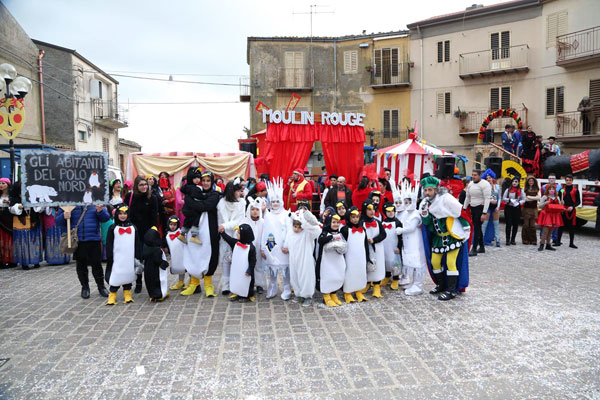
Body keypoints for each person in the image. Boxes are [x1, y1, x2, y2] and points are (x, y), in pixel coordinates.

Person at [421, 176, 470, 301]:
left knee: (450, 262)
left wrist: (466, 228)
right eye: (425, 190)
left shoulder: (446, 200)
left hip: (452, 237)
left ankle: (451, 290)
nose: (427, 193)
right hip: (438, 239)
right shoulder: (426, 204)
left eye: (430, 190)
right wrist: (425, 214)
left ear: (436, 190)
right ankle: (441, 284)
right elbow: (428, 224)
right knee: (435, 262)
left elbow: (459, 214)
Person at [56, 204, 111, 299]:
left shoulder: (95, 202)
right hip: (78, 240)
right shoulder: (68, 204)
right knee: (81, 265)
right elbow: (58, 222)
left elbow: (106, 218)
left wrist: (100, 211)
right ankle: (85, 287)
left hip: (94, 239)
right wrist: (64, 216)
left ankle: (101, 287)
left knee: (97, 264)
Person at [180, 170, 221, 297]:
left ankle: (208, 284)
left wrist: (191, 201)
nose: (206, 183)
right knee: (193, 253)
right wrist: (191, 202)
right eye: (203, 181)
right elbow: (186, 208)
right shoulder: (194, 192)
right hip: (194, 229)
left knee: (209, 255)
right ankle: (194, 283)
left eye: (208, 181)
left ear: (212, 182)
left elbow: (206, 206)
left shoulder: (214, 194)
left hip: (209, 230)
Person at [124, 176, 159, 293]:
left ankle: (150, 281)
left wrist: (154, 231)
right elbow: (124, 212)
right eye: (141, 185)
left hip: (147, 233)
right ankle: (138, 281)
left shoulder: (152, 198)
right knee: (136, 257)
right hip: (133, 232)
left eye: (145, 184)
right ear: (136, 186)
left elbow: (154, 216)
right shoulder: (130, 196)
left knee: (148, 258)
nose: (144, 187)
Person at [283, 206, 321, 307]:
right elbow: (288, 239)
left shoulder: (307, 234)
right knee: (295, 276)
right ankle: (298, 293)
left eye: (299, 227)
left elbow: (317, 230)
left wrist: (305, 223)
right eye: (295, 226)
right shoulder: (291, 233)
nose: (297, 229)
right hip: (294, 259)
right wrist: (285, 246)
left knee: (306, 277)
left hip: (305, 259)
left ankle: (307, 295)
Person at [104, 204, 141, 305]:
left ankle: (127, 293)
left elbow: (137, 243)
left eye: (125, 213)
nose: (123, 216)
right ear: (116, 215)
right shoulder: (113, 228)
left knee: (128, 274)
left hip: (129, 257)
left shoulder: (133, 228)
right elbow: (109, 243)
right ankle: (112, 294)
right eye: (120, 214)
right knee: (116, 275)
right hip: (117, 258)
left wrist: (138, 255)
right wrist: (109, 256)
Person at [262, 179, 292, 300]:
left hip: (283, 245)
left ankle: (286, 288)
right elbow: (264, 231)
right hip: (271, 245)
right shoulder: (267, 214)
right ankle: (272, 287)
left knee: (285, 269)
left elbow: (289, 231)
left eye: (277, 201)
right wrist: (263, 248)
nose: (275, 204)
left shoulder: (286, 214)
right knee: (272, 267)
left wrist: (287, 245)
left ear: (281, 202)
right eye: (273, 201)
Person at [396, 181, 426, 296]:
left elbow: (412, 227)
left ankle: (418, 284)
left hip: (414, 242)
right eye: (405, 202)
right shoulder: (406, 213)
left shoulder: (415, 214)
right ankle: (413, 282)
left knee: (416, 262)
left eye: (409, 202)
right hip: (407, 242)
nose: (407, 204)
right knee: (410, 262)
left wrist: (401, 230)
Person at [217, 179, 246, 295]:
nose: (241, 193)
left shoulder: (242, 203)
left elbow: (239, 220)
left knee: (236, 259)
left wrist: (224, 226)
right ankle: (225, 284)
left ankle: (236, 283)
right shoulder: (221, 203)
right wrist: (221, 231)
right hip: (224, 234)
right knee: (225, 259)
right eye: (239, 191)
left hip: (236, 233)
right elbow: (220, 220)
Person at [9, 183, 44, 270]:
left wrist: (36, 205)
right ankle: (25, 262)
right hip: (21, 222)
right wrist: (20, 206)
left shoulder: (34, 196)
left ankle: (36, 261)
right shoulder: (15, 198)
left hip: (33, 221)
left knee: (34, 241)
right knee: (23, 242)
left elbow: (40, 208)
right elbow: (11, 209)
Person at [316, 214, 348, 307]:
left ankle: (334, 293)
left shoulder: (340, 234)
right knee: (327, 276)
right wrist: (331, 238)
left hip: (337, 260)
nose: (336, 224)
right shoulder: (325, 233)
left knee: (336, 275)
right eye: (333, 222)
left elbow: (344, 245)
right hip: (327, 261)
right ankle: (326, 295)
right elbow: (321, 241)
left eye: (337, 222)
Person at [221, 224, 257, 302]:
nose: (237, 234)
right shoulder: (236, 243)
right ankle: (237, 292)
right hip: (237, 269)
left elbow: (253, 260)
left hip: (246, 271)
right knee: (237, 280)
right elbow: (229, 239)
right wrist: (222, 233)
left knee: (247, 282)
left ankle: (247, 295)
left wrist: (249, 270)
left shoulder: (251, 248)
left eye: (239, 233)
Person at [361, 199, 387, 299]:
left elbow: (383, 234)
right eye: (369, 210)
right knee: (367, 266)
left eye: (373, 210)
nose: (372, 212)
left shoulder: (377, 222)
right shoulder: (362, 223)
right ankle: (367, 283)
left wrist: (375, 240)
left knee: (378, 266)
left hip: (377, 248)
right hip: (366, 249)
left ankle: (377, 286)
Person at [343, 207, 369, 303]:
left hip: (360, 256)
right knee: (349, 273)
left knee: (360, 272)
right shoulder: (345, 230)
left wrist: (367, 256)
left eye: (357, 217)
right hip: (350, 256)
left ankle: (358, 290)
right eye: (353, 217)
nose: (355, 219)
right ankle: (347, 292)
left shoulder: (363, 230)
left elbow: (365, 244)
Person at [463, 170, 491, 256]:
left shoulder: (485, 184)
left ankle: (474, 248)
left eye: (475, 175)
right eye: (472, 175)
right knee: (477, 227)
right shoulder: (471, 184)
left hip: (481, 208)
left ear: (480, 175)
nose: (473, 176)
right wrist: (464, 208)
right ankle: (482, 247)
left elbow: (487, 199)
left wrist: (484, 213)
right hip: (473, 207)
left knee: (477, 228)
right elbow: (467, 197)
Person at [244, 197, 266, 295]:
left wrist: (263, 248)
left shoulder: (263, 222)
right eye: (252, 209)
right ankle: (249, 284)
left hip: (259, 248)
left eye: (257, 209)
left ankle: (259, 284)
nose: (254, 212)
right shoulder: (245, 221)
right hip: (248, 248)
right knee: (248, 265)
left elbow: (265, 236)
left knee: (259, 266)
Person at [143, 227, 170, 302]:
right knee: (159, 281)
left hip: (148, 269)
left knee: (150, 282)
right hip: (156, 270)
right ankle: (160, 294)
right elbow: (158, 260)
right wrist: (163, 263)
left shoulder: (145, 248)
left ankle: (152, 294)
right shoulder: (157, 250)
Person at [179, 168, 205, 245]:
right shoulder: (194, 188)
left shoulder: (187, 187)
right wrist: (206, 197)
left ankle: (182, 234)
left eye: (198, 178)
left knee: (188, 220)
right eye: (195, 178)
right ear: (190, 178)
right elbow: (199, 197)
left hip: (186, 208)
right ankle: (194, 235)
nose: (197, 180)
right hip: (191, 209)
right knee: (196, 219)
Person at [380, 202, 403, 291]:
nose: (391, 213)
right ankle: (387, 276)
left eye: (392, 211)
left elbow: (400, 237)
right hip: (385, 246)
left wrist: (399, 247)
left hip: (394, 246)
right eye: (388, 211)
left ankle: (396, 279)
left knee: (395, 263)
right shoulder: (383, 222)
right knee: (386, 261)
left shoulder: (398, 223)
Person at [537, 184, 563, 251]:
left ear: (555, 190)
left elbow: (559, 206)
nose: (551, 190)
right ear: (547, 190)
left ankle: (548, 244)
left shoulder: (557, 197)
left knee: (550, 232)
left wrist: (562, 203)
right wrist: (545, 203)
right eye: (550, 189)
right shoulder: (545, 197)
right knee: (545, 231)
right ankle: (542, 244)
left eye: (553, 189)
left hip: (554, 215)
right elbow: (540, 206)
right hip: (547, 215)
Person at [165, 216, 188, 291]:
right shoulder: (167, 235)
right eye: (171, 224)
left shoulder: (181, 233)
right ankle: (180, 282)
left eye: (174, 225)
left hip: (184, 254)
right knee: (179, 268)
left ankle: (192, 282)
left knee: (188, 267)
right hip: (175, 255)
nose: (172, 227)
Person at [557, 174, 580, 249]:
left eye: (570, 180)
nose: (568, 182)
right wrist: (561, 205)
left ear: (572, 181)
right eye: (567, 180)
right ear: (565, 181)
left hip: (571, 211)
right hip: (563, 210)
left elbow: (578, 202)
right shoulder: (562, 190)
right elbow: (559, 200)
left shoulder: (576, 190)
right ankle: (558, 241)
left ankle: (571, 243)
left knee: (571, 227)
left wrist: (572, 207)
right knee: (560, 226)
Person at [502, 177, 526, 245]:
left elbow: (524, 199)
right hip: (509, 207)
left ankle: (513, 239)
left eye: (516, 182)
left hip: (516, 208)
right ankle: (507, 239)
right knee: (508, 224)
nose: (514, 183)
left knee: (515, 224)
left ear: (518, 183)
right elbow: (503, 198)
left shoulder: (521, 190)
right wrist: (509, 200)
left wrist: (519, 202)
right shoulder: (508, 189)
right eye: (513, 181)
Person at [480, 170, 501, 247]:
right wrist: (489, 201)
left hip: (495, 207)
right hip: (487, 206)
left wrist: (498, 206)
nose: (489, 179)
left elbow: (499, 198)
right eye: (487, 178)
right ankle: (481, 240)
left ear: (492, 178)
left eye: (490, 177)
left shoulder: (497, 187)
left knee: (496, 224)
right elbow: (483, 197)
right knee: (484, 224)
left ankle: (498, 240)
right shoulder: (484, 187)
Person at [0, 178, 15, 269]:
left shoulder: (11, 196)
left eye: (3, 183)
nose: (1, 185)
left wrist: (9, 202)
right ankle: (2, 260)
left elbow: (16, 205)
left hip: (8, 217)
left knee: (8, 238)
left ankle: (10, 260)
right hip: (0, 217)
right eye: (0, 183)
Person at [522, 176, 540, 245]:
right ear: (527, 182)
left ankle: (533, 240)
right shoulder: (525, 189)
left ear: (534, 182)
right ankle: (525, 239)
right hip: (526, 209)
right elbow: (524, 199)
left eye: (532, 181)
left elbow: (538, 197)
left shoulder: (537, 189)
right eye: (530, 181)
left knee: (532, 225)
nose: (531, 182)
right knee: (526, 225)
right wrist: (534, 198)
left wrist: (529, 197)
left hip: (534, 209)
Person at [158, 172, 176, 236]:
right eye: (161, 176)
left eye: (165, 176)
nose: (163, 178)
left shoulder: (171, 188)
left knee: (170, 224)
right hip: (161, 210)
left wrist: (168, 201)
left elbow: (174, 197)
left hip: (170, 210)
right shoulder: (158, 188)